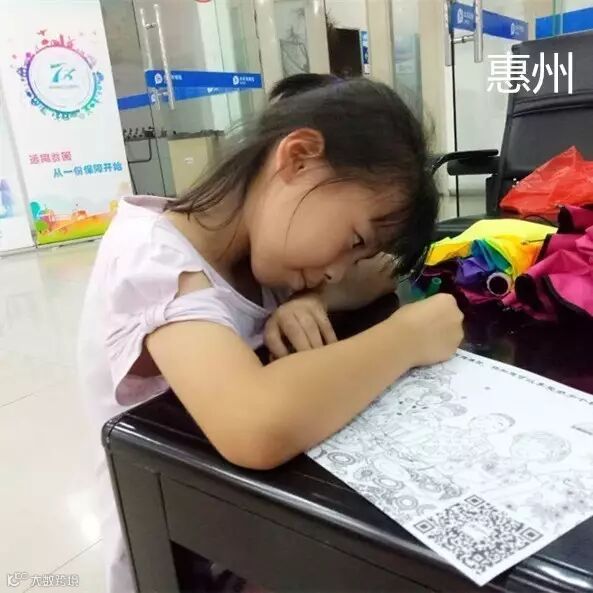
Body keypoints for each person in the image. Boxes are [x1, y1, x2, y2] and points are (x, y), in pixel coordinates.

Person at [78, 76, 464, 593]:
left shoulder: (260, 253)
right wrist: (407, 338)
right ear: (298, 159)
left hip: (250, 522)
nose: (338, 269)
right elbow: (253, 426)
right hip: (177, 552)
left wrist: (312, 299)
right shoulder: (154, 260)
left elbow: (376, 275)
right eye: (354, 238)